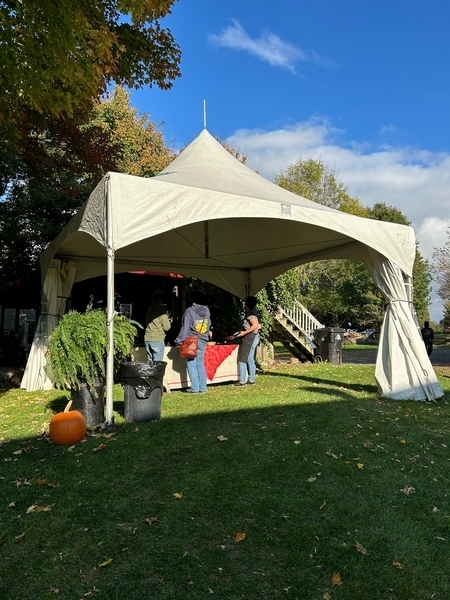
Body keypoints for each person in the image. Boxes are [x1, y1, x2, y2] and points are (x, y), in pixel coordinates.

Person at [175, 291, 210, 393]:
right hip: (202, 339)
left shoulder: (189, 311)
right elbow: (208, 324)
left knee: (191, 364)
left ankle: (195, 387)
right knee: (200, 363)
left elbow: (185, 327)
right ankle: (203, 387)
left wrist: (179, 341)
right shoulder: (207, 310)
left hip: (191, 340)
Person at [233, 296, 261, 386]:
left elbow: (255, 325)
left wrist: (244, 333)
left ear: (246, 304)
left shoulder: (250, 314)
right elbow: (259, 325)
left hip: (250, 338)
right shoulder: (254, 312)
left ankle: (242, 380)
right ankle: (251, 379)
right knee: (249, 358)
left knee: (242, 358)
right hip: (254, 337)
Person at [144, 290, 171, 362]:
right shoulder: (162, 312)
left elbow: (147, 322)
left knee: (150, 365)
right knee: (157, 365)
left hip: (147, 338)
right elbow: (167, 327)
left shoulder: (149, 310)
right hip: (158, 339)